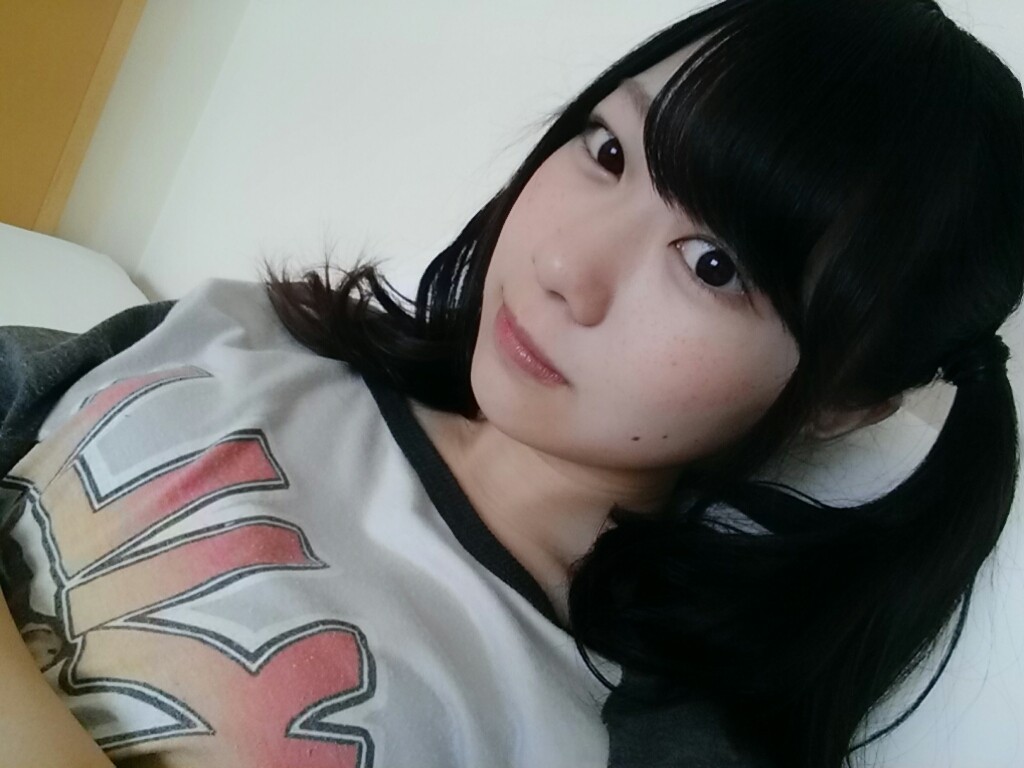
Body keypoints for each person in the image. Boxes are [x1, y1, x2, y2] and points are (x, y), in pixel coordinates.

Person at [1, 0, 1022, 766]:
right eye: (607, 150)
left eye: (713, 266)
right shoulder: (250, 331)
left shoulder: (620, 733)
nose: (564, 266)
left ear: (843, 400)